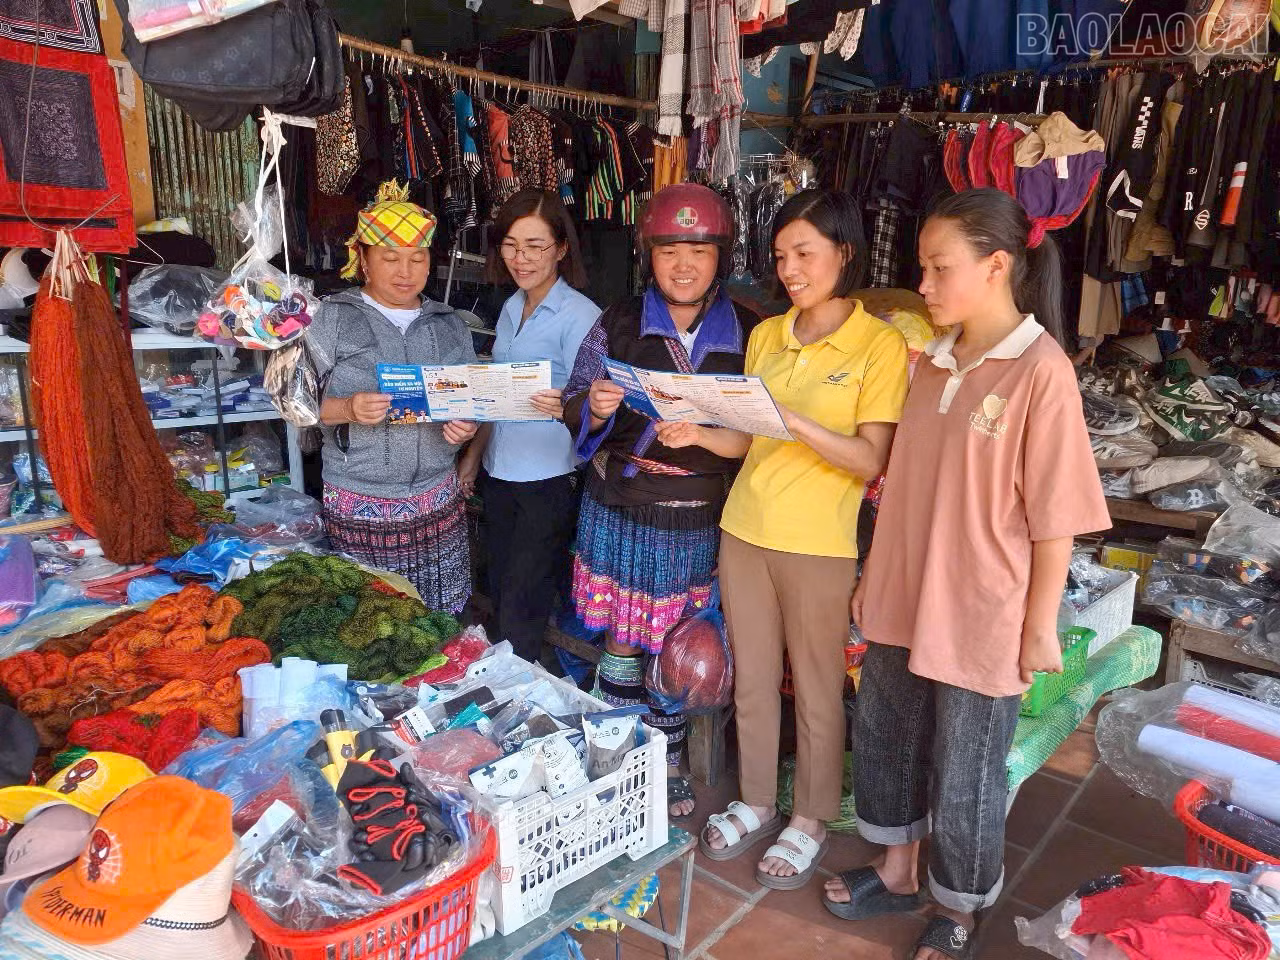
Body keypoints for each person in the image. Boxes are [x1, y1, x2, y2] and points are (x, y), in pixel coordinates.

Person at [822, 188, 1109, 960]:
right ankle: (898, 869)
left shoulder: (1041, 371)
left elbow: (1056, 519)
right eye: (922, 267)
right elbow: (904, 485)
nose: (924, 284)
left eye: (939, 268)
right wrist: (873, 573)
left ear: (996, 266)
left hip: (984, 606)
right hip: (904, 588)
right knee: (885, 733)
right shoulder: (932, 361)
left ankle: (958, 906)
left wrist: (1039, 625)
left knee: (967, 768)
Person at [693, 189, 909, 890]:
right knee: (752, 678)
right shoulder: (768, 335)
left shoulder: (878, 345)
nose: (790, 269)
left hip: (819, 543)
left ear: (844, 253)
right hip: (744, 529)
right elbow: (747, 441)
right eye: (782, 255)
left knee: (816, 689)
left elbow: (870, 458)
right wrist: (695, 430)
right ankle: (758, 801)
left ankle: (810, 818)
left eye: (805, 254)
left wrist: (799, 424)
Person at [561, 183, 753, 820]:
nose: (684, 265)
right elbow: (573, 398)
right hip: (621, 503)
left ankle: (667, 757)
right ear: (650, 256)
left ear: (720, 257)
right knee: (622, 635)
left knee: (676, 641)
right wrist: (593, 407)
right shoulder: (616, 321)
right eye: (670, 251)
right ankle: (617, 751)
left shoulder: (748, 331)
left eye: (698, 252)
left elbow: (764, 428)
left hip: (697, 515)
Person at [309, 181, 479, 614]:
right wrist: (347, 408)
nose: (405, 271)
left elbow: (471, 400)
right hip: (360, 502)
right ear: (363, 260)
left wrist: (465, 427)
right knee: (371, 620)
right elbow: (293, 404)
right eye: (390, 258)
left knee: (438, 617)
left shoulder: (448, 323)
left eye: (417, 258)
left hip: (437, 499)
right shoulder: (330, 318)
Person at [458, 190, 600, 663]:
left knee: (525, 599)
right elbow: (498, 394)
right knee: (500, 584)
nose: (522, 259)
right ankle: (507, 678)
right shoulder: (509, 307)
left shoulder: (581, 316)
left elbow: (598, 406)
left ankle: (517, 686)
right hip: (501, 474)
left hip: (548, 480)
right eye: (511, 245)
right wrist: (473, 457)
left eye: (535, 246)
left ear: (561, 249)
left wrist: (571, 404)